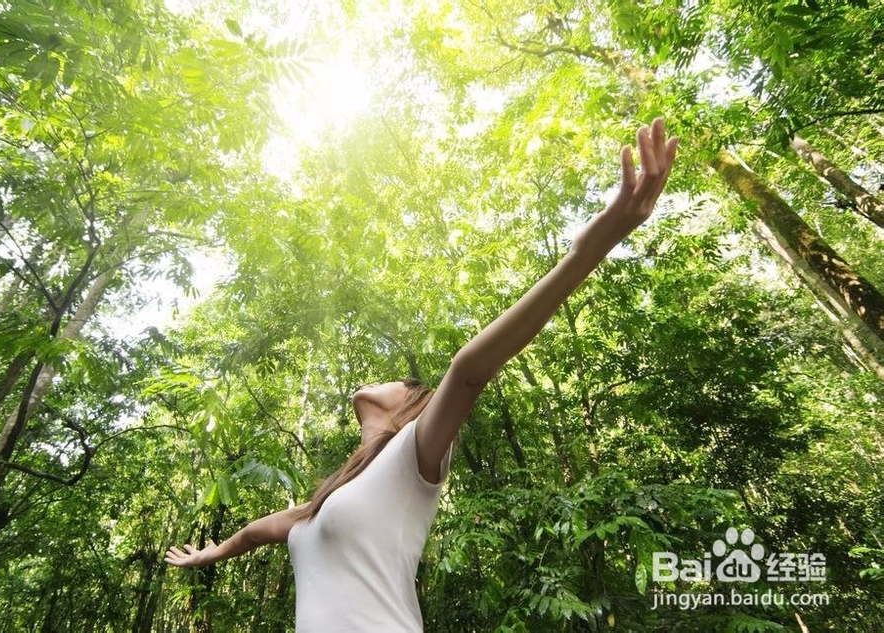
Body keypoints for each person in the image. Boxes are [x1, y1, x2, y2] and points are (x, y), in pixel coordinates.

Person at [165, 118, 679, 630]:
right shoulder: (323, 505)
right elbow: (255, 532)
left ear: (409, 406)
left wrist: (586, 249)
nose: (380, 379)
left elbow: (468, 370)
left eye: (399, 381)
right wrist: (207, 556)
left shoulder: (414, 452)